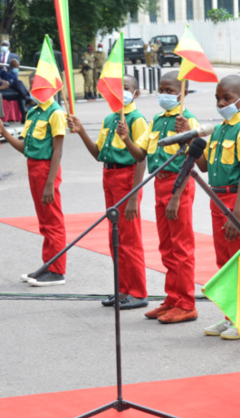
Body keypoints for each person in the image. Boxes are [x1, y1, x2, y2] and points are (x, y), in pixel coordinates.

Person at [67, 75, 149, 310]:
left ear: (135, 94)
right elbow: (98, 153)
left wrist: (134, 196)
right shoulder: (110, 119)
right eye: (117, 88)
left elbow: (141, 159)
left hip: (127, 178)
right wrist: (82, 131)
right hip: (109, 176)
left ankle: (138, 291)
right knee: (116, 237)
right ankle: (122, 289)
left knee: (130, 238)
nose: (120, 91)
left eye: (126, 88)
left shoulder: (136, 120)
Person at [197, 75, 240, 340]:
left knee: (239, 260)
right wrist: (189, 145)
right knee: (224, 261)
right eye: (217, 98)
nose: (221, 103)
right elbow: (204, 166)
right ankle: (229, 315)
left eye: (226, 98)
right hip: (217, 199)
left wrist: (237, 214)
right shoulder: (220, 130)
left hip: (236, 201)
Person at [134, 71, 201, 324]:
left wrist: (176, 195)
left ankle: (186, 303)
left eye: (171, 91)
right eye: (162, 89)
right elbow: (140, 153)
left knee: (182, 246)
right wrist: (126, 137)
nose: (165, 94)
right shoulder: (157, 120)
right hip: (160, 184)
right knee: (167, 246)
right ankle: (172, 298)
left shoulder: (188, 120)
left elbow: (192, 159)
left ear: (182, 93)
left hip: (178, 185)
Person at [0, 86, 68, 286]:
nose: (35, 89)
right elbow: (25, 148)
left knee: (53, 220)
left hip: (46, 170)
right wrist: (4, 132)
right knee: (44, 221)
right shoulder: (33, 112)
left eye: (40, 85)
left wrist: (50, 182)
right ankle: (48, 265)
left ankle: (57, 271)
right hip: (33, 167)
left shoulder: (56, 113)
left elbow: (58, 151)